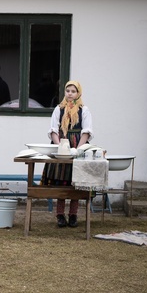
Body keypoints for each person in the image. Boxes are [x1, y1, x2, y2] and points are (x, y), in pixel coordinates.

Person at [42, 80, 93, 228]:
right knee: (61, 180)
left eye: (73, 91)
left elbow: (87, 131)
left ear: (78, 93)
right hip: (62, 143)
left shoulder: (84, 110)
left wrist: (79, 148)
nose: (70, 93)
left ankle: (73, 214)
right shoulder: (59, 109)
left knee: (75, 181)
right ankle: (59, 214)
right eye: (67, 91)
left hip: (78, 144)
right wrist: (59, 147)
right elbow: (53, 130)